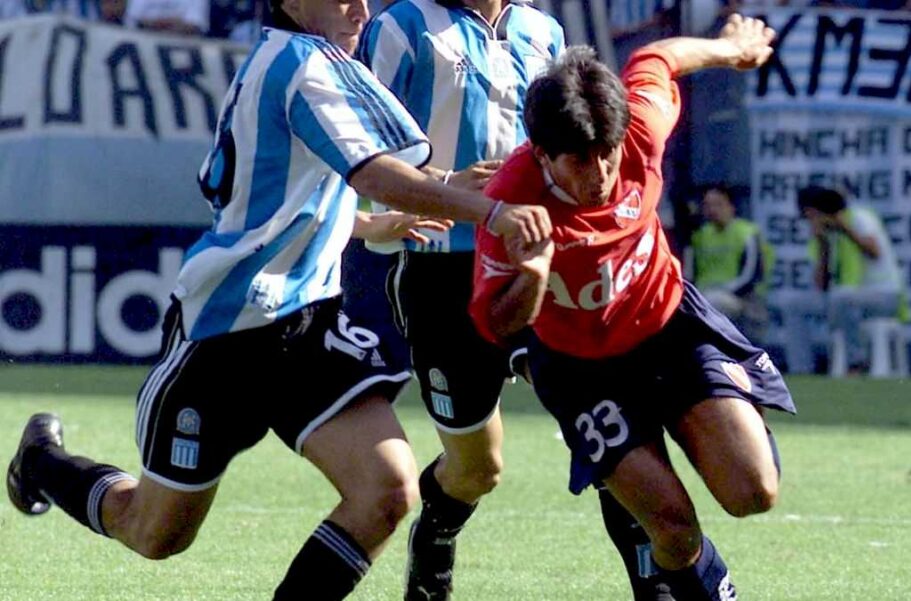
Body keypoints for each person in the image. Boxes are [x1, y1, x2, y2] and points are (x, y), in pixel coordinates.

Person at [5, 1, 550, 600]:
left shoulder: (316, 58)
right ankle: (41, 463)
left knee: (388, 489)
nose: (361, 7)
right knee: (154, 533)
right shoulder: (299, 64)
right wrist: (490, 209)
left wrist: (373, 225)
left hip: (307, 324)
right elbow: (372, 175)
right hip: (228, 331)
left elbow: (286, 192)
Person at [469, 15, 795, 600]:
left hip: (669, 326)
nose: (601, 176)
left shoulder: (640, 126)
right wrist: (535, 276)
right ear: (543, 154)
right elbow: (497, 323)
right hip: (581, 368)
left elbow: (659, 57)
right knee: (671, 525)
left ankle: (671, 443)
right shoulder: (510, 205)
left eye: (608, 156)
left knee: (753, 492)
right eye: (580, 161)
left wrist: (729, 48)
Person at [356, 4, 659, 601]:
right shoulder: (402, 28)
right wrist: (441, 189)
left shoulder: (542, 31)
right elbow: (354, 147)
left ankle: (659, 588)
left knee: (607, 439)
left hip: (539, 258)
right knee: (476, 470)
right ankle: (437, 533)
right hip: (444, 271)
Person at [787, 185, 905, 375]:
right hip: (843, 298)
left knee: (842, 298)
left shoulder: (859, 218)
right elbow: (821, 286)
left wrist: (845, 229)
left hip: (884, 296)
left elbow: (874, 252)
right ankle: (801, 369)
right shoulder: (825, 235)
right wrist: (823, 245)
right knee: (795, 306)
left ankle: (855, 363)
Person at [689, 183, 772, 343]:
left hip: (743, 298)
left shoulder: (746, 233)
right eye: (708, 205)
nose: (713, 210)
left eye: (718, 204)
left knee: (713, 302)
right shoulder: (701, 235)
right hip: (705, 294)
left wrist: (720, 291)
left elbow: (751, 276)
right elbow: (691, 273)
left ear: (731, 206)